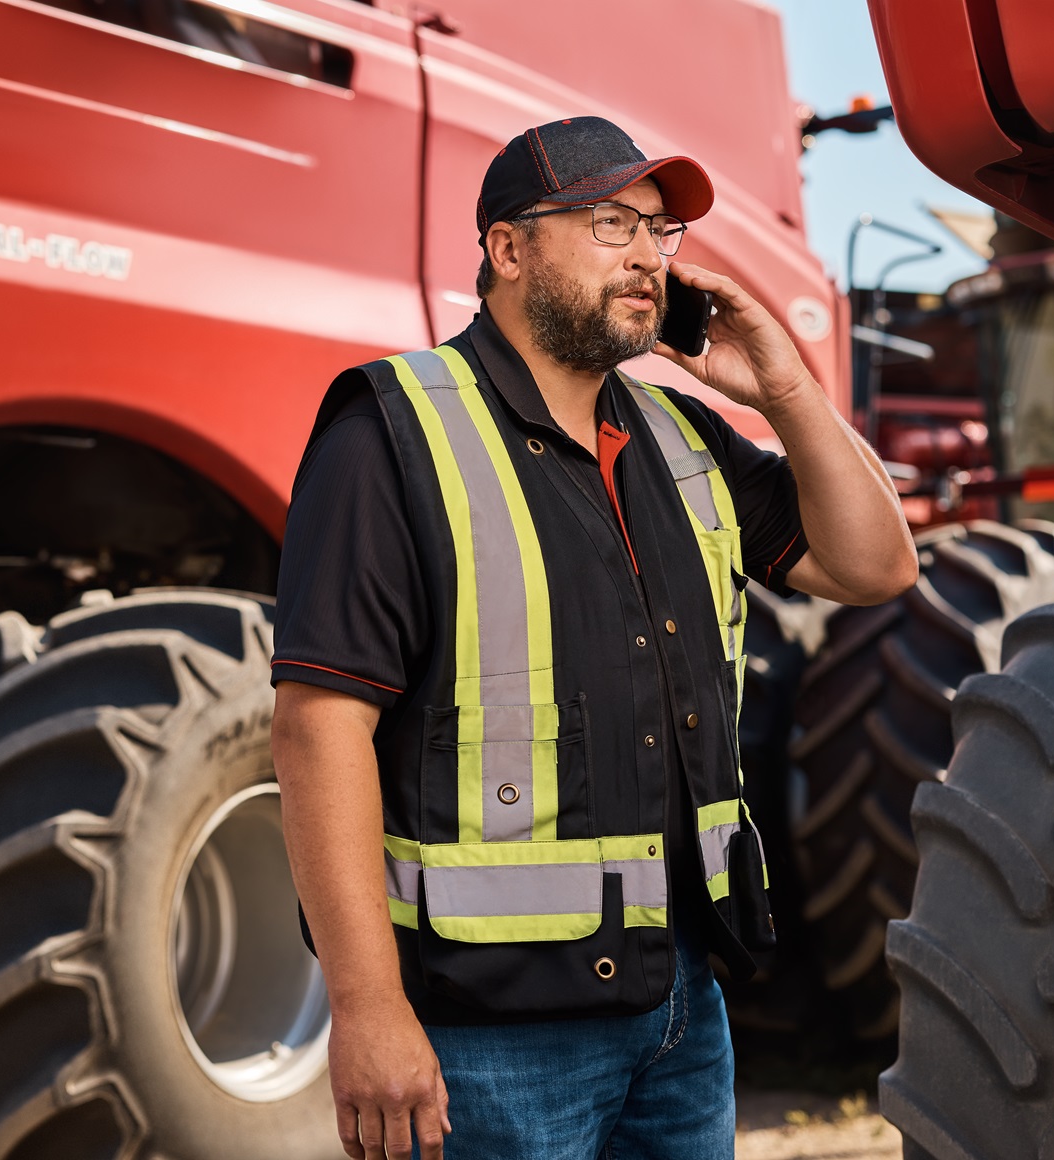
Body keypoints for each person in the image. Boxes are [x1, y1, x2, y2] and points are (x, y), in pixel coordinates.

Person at [269, 116, 918, 1160]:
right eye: (612, 223)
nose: (650, 257)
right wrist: (367, 1006)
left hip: (682, 1015)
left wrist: (786, 389)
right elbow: (317, 729)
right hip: (490, 1038)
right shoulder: (390, 432)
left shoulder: (681, 434)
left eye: (659, 232)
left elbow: (875, 566)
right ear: (509, 249)